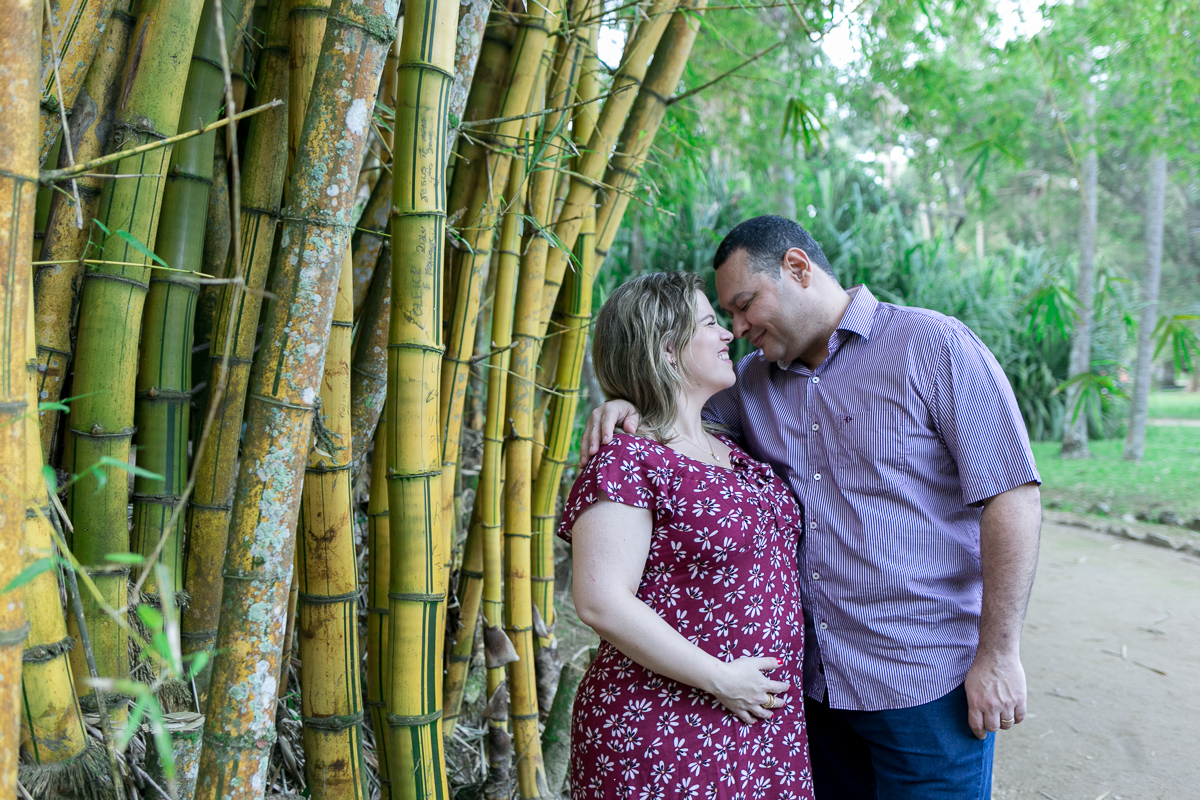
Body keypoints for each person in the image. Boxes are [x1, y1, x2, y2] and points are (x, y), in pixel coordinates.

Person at [581, 216, 1042, 799]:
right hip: (811, 697)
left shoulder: (933, 346)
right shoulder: (747, 383)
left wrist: (1000, 655)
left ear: (798, 268)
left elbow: (1011, 493)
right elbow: (671, 425)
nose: (738, 327)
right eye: (724, 316)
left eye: (745, 305)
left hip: (924, 686)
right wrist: (624, 400)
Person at [560, 271, 816, 799]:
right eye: (709, 323)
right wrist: (720, 678)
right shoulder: (626, 458)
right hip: (665, 729)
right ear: (668, 350)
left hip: (761, 726)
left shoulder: (733, 449)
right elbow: (600, 601)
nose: (730, 334)